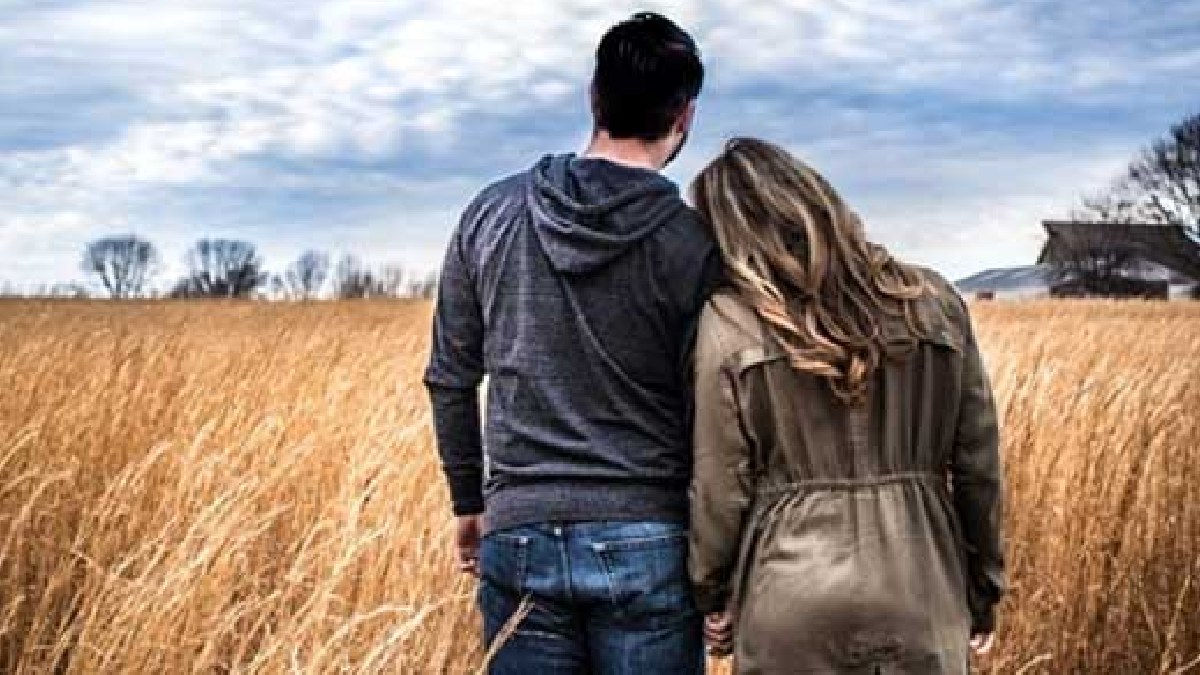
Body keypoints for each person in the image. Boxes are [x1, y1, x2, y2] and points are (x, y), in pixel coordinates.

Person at [423, 12, 718, 674]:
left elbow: (449, 375)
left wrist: (469, 501)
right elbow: (713, 408)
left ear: (594, 97)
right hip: (651, 537)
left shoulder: (490, 212)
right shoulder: (692, 242)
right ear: (685, 117)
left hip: (517, 531)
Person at [687, 138, 1005, 674]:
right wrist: (983, 586)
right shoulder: (934, 302)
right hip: (921, 585)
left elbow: (720, 484)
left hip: (788, 596)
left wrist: (713, 592)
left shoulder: (729, 321)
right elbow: (979, 468)